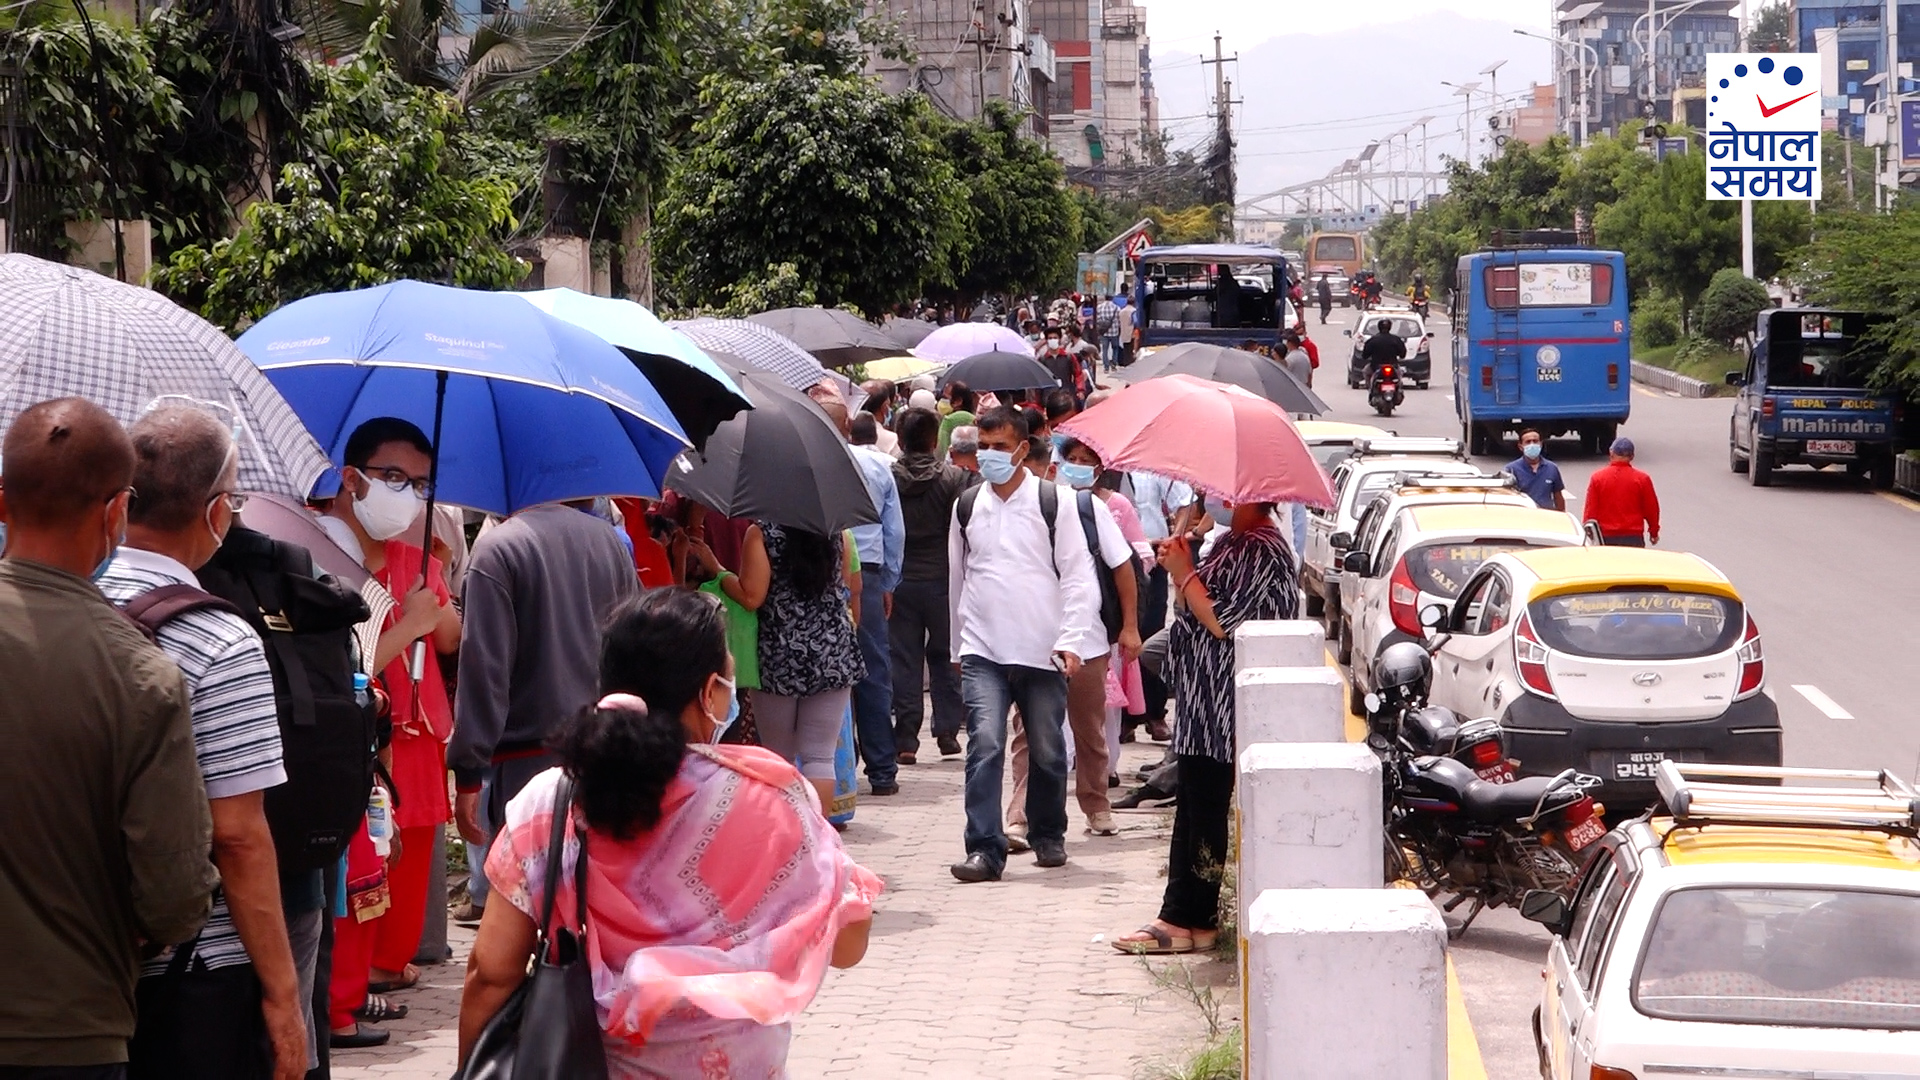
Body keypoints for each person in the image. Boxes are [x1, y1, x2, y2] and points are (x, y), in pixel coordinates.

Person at [456, 589, 879, 1078]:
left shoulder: (549, 804)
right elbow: (847, 947)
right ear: (707, 692)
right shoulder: (772, 797)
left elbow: (490, 974)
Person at [0, 397, 217, 1076]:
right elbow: (176, 898)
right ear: (116, 512)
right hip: (67, 1030)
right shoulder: (141, 677)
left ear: (1, 501)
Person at [94, 404, 306, 1079]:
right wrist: (282, 993)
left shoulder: (59, 601)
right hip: (193, 965)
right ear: (216, 513)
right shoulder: (221, 639)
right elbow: (238, 837)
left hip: (73, 947)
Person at [312, 418, 463, 1050]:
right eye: (394, 478)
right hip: (362, 737)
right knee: (360, 871)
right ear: (352, 479)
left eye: (421, 483)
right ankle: (341, 993)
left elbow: (452, 640)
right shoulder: (319, 555)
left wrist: (436, 601)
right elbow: (347, 663)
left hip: (417, 730)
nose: (408, 494)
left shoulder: (419, 560)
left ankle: (371, 973)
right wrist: (408, 626)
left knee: (406, 860)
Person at [1114, 499, 1298, 955]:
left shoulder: (1261, 548)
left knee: (1205, 807)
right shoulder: (1231, 542)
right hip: (1203, 697)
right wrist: (1184, 562)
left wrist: (1184, 571)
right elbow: (1191, 607)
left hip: (1224, 697)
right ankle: (1186, 917)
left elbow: (1220, 621)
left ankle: (1186, 917)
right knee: (1195, 805)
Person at [947, 408, 1104, 883]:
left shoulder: (1053, 502)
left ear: (1022, 449)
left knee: (1049, 749)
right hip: (983, 651)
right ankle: (985, 849)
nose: (990, 455)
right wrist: (957, 648)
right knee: (987, 745)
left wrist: (1072, 640)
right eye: (984, 446)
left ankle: (1048, 834)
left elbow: (1080, 577)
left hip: (1044, 650)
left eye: (999, 447)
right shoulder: (967, 505)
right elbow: (958, 578)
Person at [450, 494, 640, 855]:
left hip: (525, 764)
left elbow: (485, 669)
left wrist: (468, 771)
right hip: (605, 751)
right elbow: (634, 648)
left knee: (527, 897)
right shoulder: (611, 543)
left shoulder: (498, 549)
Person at [1006, 438, 1142, 842]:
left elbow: (1122, 569)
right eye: (1072, 460)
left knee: (1089, 729)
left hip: (1086, 637)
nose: (1077, 467)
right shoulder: (1024, 508)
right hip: (1034, 640)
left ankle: (1095, 804)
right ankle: (1019, 815)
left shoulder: (1090, 509)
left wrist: (1130, 626)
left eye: (1087, 461)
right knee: (1028, 732)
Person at [820, 399, 905, 797]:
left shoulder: (804, 466)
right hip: (866, 574)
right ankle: (882, 768)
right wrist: (888, 581)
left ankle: (832, 767)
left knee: (823, 670)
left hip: (814, 570)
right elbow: (894, 532)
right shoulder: (876, 466)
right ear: (850, 424)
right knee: (871, 669)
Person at [750, 520, 865, 811]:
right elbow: (846, 586)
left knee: (778, 757)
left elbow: (753, 595)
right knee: (820, 757)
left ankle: (784, 840)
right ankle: (818, 842)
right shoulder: (837, 534)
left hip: (779, 653)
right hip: (832, 651)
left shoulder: (761, 534)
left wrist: (717, 572)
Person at [890, 408, 975, 763]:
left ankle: (906, 737)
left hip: (899, 579)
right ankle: (947, 731)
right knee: (945, 655)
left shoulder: (889, 477)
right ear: (934, 439)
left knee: (904, 659)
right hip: (943, 578)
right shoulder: (955, 478)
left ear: (899, 439)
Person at [1584, 437, 1661, 547]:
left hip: (1605, 537)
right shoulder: (1642, 479)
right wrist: (1654, 532)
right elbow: (1651, 509)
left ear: (1611, 453)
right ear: (1632, 456)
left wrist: (1589, 533)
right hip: (1633, 537)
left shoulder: (1598, 478)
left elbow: (1590, 510)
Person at [1504, 429, 1567, 511]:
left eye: (1535, 441)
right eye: (1528, 442)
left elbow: (1558, 496)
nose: (1532, 444)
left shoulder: (1552, 468)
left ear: (1541, 444)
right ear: (1520, 446)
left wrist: (1561, 516)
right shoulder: (1511, 469)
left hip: (1547, 515)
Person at [937, 383, 977, 455]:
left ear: (958, 401)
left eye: (946, 398)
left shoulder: (949, 421)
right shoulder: (976, 420)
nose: (941, 401)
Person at [1096, 293, 1122, 372]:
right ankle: (1113, 365)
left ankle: (1106, 367)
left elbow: (1098, 319)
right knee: (1115, 348)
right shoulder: (1117, 308)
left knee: (1105, 349)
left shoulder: (1099, 307)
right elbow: (1119, 320)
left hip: (1104, 332)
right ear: (1112, 298)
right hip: (1114, 331)